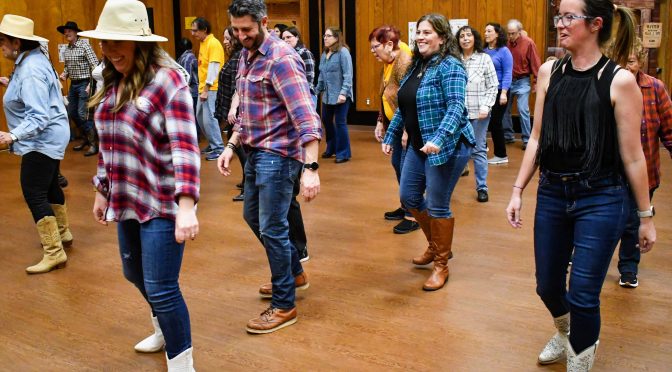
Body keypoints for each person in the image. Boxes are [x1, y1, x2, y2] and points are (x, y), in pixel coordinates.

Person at [506, 1, 656, 369]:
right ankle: (565, 332)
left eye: (568, 17)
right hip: (554, 192)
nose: (560, 24)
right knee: (548, 286)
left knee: (585, 294)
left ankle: (580, 358)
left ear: (595, 24)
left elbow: (634, 157)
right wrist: (517, 190)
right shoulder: (548, 73)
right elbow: (538, 138)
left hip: (602, 197)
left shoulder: (619, 80)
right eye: (559, 16)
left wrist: (646, 217)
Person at [82, 0, 200, 369]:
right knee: (133, 272)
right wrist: (103, 190)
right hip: (129, 194)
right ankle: (163, 330)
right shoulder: (112, 79)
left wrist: (186, 207)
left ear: (141, 43)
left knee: (163, 287)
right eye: (104, 42)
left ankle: (182, 363)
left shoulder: (169, 80)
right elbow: (108, 142)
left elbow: (185, 146)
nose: (110, 50)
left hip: (163, 199)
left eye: (118, 41)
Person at [218, 0, 321, 334]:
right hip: (255, 151)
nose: (240, 35)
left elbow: (306, 117)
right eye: (235, 29)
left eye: (246, 29)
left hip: (279, 156)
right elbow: (248, 112)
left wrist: (311, 167)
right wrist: (231, 146)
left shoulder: (282, 60)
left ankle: (284, 304)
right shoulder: (247, 55)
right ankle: (294, 273)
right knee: (254, 218)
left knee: (272, 227)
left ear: (263, 22)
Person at [382, 13, 474, 291]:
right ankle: (436, 246)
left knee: (437, 205)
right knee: (408, 195)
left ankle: (441, 265)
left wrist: (440, 136)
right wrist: (390, 134)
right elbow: (404, 106)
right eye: (419, 32)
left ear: (443, 37)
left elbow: (457, 106)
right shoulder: (416, 66)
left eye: (428, 32)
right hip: (418, 145)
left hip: (447, 146)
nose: (421, 37)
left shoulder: (451, 66)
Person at [0, 14, 73, 274]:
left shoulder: (30, 69)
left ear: (16, 42)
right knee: (50, 184)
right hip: (49, 135)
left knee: (33, 191)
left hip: (40, 139)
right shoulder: (33, 60)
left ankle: (54, 252)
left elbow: (38, 115)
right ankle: (63, 234)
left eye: (3, 41)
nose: (2, 46)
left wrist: (13, 136)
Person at [616, 37, 672, 288]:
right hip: (611, 170)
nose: (626, 67)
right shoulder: (609, 85)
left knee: (634, 219)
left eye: (631, 61)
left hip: (645, 170)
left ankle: (628, 267)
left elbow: (669, 130)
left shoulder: (655, 88)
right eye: (621, 61)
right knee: (606, 215)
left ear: (640, 61)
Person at [368, 25, 419, 234]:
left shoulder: (404, 62)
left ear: (389, 45)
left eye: (374, 47)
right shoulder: (389, 61)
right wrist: (381, 120)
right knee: (398, 164)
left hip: (408, 126)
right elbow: (385, 94)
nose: (372, 51)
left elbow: (410, 100)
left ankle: (413, 214)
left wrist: (407, 131)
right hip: (395, 125)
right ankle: (406, 205)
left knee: (408, 170)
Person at [456, 25, 498, 202]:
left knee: (478, 149)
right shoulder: (454, 60)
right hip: (457, 114)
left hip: (479, 113)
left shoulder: (484, 58)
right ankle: (447, 185)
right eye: (462, 36)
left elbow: (493, 85)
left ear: (475, 39)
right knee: (455, 151)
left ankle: (482, 187)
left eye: (469, 35)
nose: (465, 39)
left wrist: (486, 106)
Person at [57, 20, 99, 156]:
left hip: (85, 83)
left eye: (69, 31)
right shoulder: (67, 49)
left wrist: (90, 85)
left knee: (83, 114)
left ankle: (93, 144)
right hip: (73, 84)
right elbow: (68, 67)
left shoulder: (84, 46)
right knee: (71, 112)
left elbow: (95, 66)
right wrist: (64, 74)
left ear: (76, 32)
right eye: (65, 32)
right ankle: (86, 139)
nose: (66, 33)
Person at [215, 26, 246, 202]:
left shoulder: (240, 57)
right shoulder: (234, 56)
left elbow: (239, 88)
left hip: (236, 113)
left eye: (227, 38)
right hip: (230, 110)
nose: (225, 41)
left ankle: (249, 187)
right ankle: (246, 181)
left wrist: (233, 110)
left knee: (242, 152)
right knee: (240, 152)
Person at [316, 27, 353, 163]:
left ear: (336, 38)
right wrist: (316, 90)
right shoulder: (324, 54)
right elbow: (321, 75)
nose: (325, 38)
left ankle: (343, 153)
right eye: (324, 35)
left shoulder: (343, 52)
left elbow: (348, 75)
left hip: (341, 97)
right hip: (327, 96)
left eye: (328, 36)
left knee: (340, 123)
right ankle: (331, 148)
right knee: (326, 120)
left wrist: (343, 93)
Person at [502, 19, 541, 150]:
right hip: (507, 81)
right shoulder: (505, 44)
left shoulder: (528, 43)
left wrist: (536, 81)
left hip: (523, 80)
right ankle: (508, 136)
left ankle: (526, 140)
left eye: (513, 33)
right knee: (504, 110)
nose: (510, 36)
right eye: (508, 33)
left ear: (519, 32)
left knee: (523, 109)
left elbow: (535, 63)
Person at [191, 17, 225, 161]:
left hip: (211, 88)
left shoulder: (213, 43)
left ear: (204, 29)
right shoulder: (203, 43)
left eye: (195, 30)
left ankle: (218, 148)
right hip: (202, 87)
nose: (193, 33)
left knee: (209, 119)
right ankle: (212, 143)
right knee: (200, 117)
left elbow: (213, 67)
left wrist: (206, 89)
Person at [483, 22, 513, 165]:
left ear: (497, 33)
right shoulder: (484, 51)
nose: (486, 34)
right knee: (483, 121)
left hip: (501, 89)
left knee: (495, 122)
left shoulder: (504, 51)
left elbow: (508, 72)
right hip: (487, 90)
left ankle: (501, 155)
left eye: (489, 31)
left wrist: (504, 93)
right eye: (485, 31)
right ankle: (483, 148)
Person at [281, 27, 316, 105]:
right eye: (283, 38)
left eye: (288, 37)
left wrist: (302, 96)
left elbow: (309, 78)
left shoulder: (304, 53)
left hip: (305, 96)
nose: (285, 40)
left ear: (297, 37)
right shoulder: (285, 54)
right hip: (291, 96)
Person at [176, 37, 200, 137]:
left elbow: (187, 76)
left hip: (192, 91)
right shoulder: (188, 56)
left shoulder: (187, 57)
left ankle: (195, 136)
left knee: (193, 116)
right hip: (193, 91)